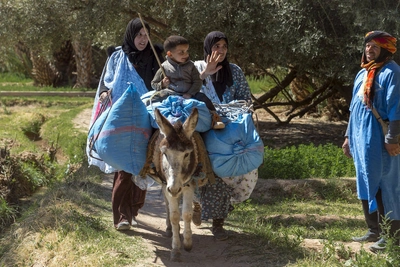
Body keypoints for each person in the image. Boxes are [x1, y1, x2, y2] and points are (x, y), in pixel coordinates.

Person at [91, 18, 163, 231]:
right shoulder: (117, 57)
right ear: (131, 35)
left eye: (146, 35)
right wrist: (104, 91)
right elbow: (107, 80)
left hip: (146, 117)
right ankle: (121, 216)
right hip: (121, 118)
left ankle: (133, 210)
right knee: (123, 167)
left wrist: (164, 83)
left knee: (143, 166)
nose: (142, 39)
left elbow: (159, 83)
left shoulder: (156, 57)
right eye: (139, 35)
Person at [342, 30, 400, 252]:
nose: (369, 49)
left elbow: (396, 109)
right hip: (360, 139)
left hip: (381, 140)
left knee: (387, 184)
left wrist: (392, 138)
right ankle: (374, 229)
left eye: (375, 46)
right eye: (367, 45)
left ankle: (392, 236)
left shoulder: (392, 72)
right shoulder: (362, 74)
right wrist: (348, 137)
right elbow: (353, 109)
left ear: (386, 49)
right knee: (366, 181)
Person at [193, 31, 252, 240]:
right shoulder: (197, 67)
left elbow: (246, 98)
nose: (220, 50)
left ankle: (218, 224)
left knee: (226, 173)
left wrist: (234, 112)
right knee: (201, 170)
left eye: (224, 46)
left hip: (227, 131)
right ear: (208, 47)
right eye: (216, 46)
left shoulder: (234, 71)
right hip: (203, 129)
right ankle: (197, 204)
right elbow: (186, 92)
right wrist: (205, 73)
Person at [151, 35, 225, 129]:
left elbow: (198, 81)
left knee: (204, 98)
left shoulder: (191, 66)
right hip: (171, 93)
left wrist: (190, 93)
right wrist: (162, 84)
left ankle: (216, 119)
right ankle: (154, 120)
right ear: (170, 54)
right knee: (154, 99)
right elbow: (153, 84)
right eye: (182, 52)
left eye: (186, 51)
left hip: (190, 93)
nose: (186, 55)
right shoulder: (164, 67)